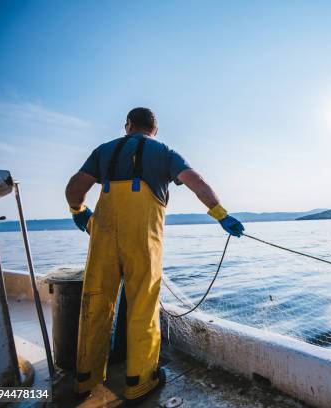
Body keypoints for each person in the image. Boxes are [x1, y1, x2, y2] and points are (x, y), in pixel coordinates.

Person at [64, 107, 244, 402]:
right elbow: (195, 181)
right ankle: (139, 381)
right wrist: (221, 215)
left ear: (128, 126)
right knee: (142, 305)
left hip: (103, 235)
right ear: (154, 129)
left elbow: (74, 188)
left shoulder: (104, 151)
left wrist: (79, 212)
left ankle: (86, 379)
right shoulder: (164, 151)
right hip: (143, 239)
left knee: (96, 301)